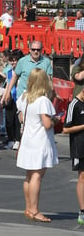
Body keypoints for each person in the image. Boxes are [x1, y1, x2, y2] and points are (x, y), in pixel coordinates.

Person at [16, 68, 58, 223]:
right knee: (37, 176)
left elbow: (21, 118)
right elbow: (47, 124)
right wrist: (56, 120)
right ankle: (34, 210)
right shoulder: (43, 101)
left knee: (29, 176)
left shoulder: (24, 97)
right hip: (39, 141)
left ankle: (28, 207)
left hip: (27, 139)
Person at [2, 41, 53, 149]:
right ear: (29, 50)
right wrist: (7, 93)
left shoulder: (46, 62)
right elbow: (14, 77)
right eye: (33, 49)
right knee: (24, 120)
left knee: (37, 122)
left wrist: (50, 94)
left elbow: (48, 79)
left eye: (38, 50)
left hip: (40, 94)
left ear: (41, 50)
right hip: (25, 94)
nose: (35, 52)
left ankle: (35, 143)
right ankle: (22, 141)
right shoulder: (22, 61)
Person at [64, 81, 84, 225]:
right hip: (80, 146)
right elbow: (66, 129)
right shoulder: (74, 104)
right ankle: (82, 211)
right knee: (82, 177)